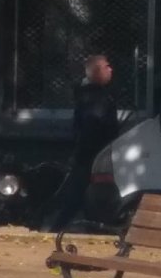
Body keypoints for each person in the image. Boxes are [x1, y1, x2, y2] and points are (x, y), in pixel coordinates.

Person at [46, 54, 118, 232]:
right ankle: (55, 228)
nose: (111, 69)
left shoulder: (91, 95)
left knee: (81, 197)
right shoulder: (96, 98)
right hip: (92, 157)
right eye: (107, 66)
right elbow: (93, 127)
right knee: (77, 197)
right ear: (97, 71)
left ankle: (64, 227)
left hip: (90, 156)